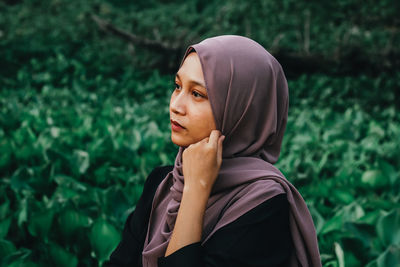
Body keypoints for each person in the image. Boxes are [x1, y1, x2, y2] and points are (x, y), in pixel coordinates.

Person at [104, 35, 321, 267]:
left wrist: (195, 190)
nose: (176, 106)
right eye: (177, 87)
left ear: (242, 110)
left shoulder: (265, 205)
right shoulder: (161, 183)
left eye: (197, 94)